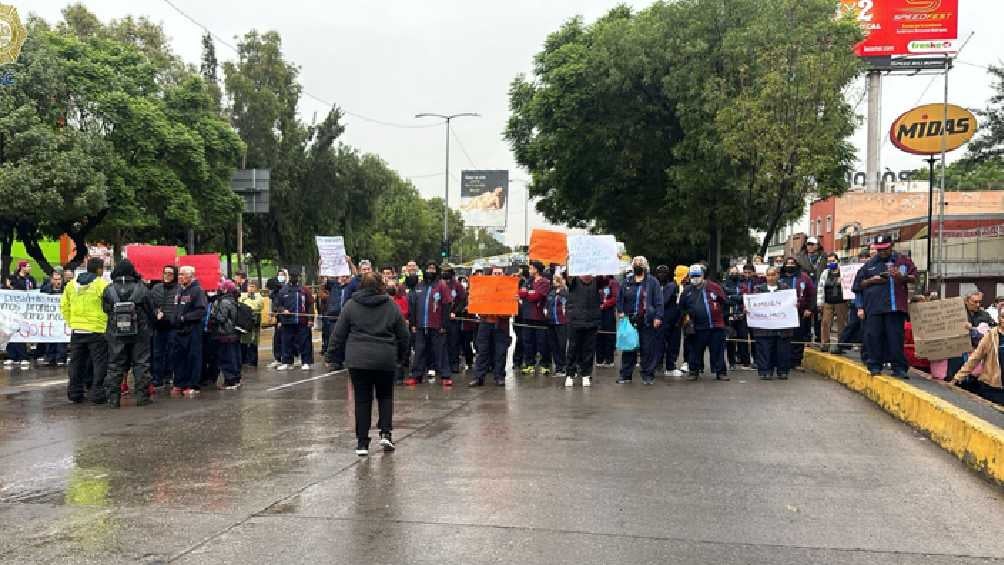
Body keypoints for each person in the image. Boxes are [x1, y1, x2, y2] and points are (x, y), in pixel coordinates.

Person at [331, 272, 411, 456]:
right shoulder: (390, 305)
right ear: (381, 286)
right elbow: (404, 334)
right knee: (384, 396)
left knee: (362, 400)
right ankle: (385, 432)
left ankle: (362, 442)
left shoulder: (351, 305)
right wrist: (401, 356)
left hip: (358, 359)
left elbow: (339, 333)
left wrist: (332, 355)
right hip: (385, 357)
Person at [851, 235, 917, 378]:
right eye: (879, 249)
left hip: (895, 307)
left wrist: (901, 277)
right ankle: (874, 365)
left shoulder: (902, 261)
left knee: (895, 339)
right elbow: (857, 285)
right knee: (873, 337)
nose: (882, 252)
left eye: (885, 249)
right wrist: (871, 280)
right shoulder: (869, 264)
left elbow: (914, 277)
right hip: (874, 308)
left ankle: (899, 368)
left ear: (891, 246)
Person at [102, 259, 155, 408]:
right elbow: (150, 309)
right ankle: (142, 397)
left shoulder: (109, 289)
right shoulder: (142, 288)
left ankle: (113, 399)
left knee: (114, 365)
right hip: (140, 331)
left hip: (116, 332)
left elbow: (105, 309)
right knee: (141, 363)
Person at [62, 258, 110, 403]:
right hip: (97, 330)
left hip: (77, 330)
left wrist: (72, 322)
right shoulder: (102, 284)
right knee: (99, 364)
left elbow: (64, 306)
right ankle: (97, 394)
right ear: (100, 270)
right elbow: (110, 303)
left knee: (76, 363)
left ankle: (75, 393)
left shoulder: (71, 284)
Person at [616, 256, 664, 385]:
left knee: (647, 349)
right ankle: (625, 375)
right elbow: (619, 298)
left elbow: (659, 301)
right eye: (635, 263)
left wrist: (658, 316)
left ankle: (648, 375)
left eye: (640, 264)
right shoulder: (627, 281)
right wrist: (620, 312)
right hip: (629, 320)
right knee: (629, 348)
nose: (637, 265)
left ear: (645, 266)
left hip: (647, 320)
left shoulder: (652, 282)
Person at [406, 261, 452, 386]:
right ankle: (416, 376)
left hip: (437, 325)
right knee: (419, 351)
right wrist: (413, 324)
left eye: (433, 268)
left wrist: (444, 325)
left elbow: (447, 305)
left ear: (436, 270)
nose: (430, 271)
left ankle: (445, 376)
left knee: (440, 351)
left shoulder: (441, 286)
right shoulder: (419, 286)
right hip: (420, 325)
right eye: (428, 268)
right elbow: (413, 305)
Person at [679, 264, 728, 380]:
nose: (695, 278)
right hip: (697, 327)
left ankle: (720, 372)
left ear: (703, 275)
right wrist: (686, 321)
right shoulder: (687, 291)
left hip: (715, 325)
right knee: (695, 350)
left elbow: (723, 302)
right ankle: (693, 371)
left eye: (698, 275)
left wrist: (723, 318)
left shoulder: (714, 287)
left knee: (718, 350)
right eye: (693, 276)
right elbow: (681, 308)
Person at [470, 266, 512, 387]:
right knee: (482, 351)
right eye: (495, 273)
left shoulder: (508, 288)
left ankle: (499, 376)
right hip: (485, 323)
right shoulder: (484, 288)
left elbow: (512, 308)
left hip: (501, 324)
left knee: (500, 352)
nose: (497, 275)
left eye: (500, 273)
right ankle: (479, 377)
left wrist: (514, 300)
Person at [750, 267, 794, 380]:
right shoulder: (758, 289)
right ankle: (765, 371)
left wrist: (794, 305)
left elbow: (791, 302)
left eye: (773, 274)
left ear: (778, 275)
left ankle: (782, 371)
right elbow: (753, 304)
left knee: (782, 349)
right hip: (764, 326)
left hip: (781, 326)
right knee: (764, 348)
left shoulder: (785, 288)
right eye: (769, 275)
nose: (771, 277)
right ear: (766, 276)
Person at [171, 265, 208, 395]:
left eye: (182, 274)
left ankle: (193, 385)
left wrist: (184, 318)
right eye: (179, 274)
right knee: (179, 357)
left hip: (193, 330)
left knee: (193, 357)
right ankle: (179, 383)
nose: (179, 277)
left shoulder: (197, 290)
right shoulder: (179, 290)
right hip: (179, 330)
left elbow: (201, 310)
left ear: (191, 276)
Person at [951, 320, 1003, 404]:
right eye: (1003, 316)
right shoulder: (991, 336)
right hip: (992, 388)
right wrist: (958, 377)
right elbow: (975, 358)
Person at [564, 274, 601, 387]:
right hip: (575, 319)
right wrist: (569, 261)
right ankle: (570, 374)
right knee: (573, 348)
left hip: (592, 320)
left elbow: (606, 275)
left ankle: (586, 374)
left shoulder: (596, 280)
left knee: (589, 348)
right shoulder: (574, 280)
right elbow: (568, 276)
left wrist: (614, 260)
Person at [779, 256, 816, 368]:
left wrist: (809, 309)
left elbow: (812, 294)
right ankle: (783, 360)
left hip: (800, 312)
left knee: (798, 336)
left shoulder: (804, 277)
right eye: (788, 263)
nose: (790, 265)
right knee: (783, 336)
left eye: (792, 263)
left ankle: (796, 361)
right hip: (782, 313)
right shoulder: (779, 277)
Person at [276, 271, 315, 371]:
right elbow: (278, 305)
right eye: (292, 276)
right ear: (289, 277)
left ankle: (306, 362)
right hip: (287, 322)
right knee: (286, 342)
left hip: (302, 321)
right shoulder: (283, 290)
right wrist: (282, 311)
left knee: (305, 342)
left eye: (296, 276)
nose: (294, 278)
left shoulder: (304, 290)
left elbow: (310, 304)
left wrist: (311, 319)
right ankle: (287, 362)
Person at [149, 265, 181, 388]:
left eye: (170, 273)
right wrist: (156, 312)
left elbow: (180, 307)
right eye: (165, 273)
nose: (167, 275)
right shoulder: (156, 288)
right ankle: (158, 378)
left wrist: (173, 317)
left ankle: (169, 376)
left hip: (173, 326)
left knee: (171, 352)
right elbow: (151, 305)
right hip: (159, 326)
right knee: (157, 353)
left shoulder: (179, 289)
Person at [518, 261, 552, 376]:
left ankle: (545, 364)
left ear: (536, 269)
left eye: (531, 268)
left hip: (539, 317)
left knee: (542, 342)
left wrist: (528, 293)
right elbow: (521, 293)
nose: (529, 270)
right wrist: (528, 293)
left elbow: (537, 296)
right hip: (527, 316)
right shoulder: (528, 280)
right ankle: (529, 364)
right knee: (527, 341)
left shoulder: (545, 282)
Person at [209, 280, 243, 389]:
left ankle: (230, 380)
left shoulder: (223, 302)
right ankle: (236, 379)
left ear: (225, 289)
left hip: (225, 333)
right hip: (233, 333)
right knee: (235, 356)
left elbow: (221, 318)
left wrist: (213, 316)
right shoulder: (233, 300)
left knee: (226, 357)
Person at [3, 261, 37, 369]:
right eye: (28, 266)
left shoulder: (31, 279)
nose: (29, 267)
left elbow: (34, 291)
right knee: (11, 331)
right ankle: (11, 356)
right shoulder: (13, 277)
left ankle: (23, 356)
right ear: (22, 267)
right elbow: (8, 289)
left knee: (22, 331)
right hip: (13, 309)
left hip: (25, 309)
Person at [654, 265, 683, 378]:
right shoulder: (654, 286)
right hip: (660, 320)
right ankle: (658, 364)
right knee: (659, 344)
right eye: (660, 272)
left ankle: (670, 366)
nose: (662, 274)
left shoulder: (672, 286)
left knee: (673, 345)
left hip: (672, 320)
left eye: (665, 272)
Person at [817, 252, 848, 353]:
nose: (831, 263)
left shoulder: (843, 271)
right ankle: (825, 344)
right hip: (828, 301)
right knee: (825, 322)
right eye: (829, 261)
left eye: (833, 261)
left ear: (837, 261)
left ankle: (841, 345)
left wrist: (842, 282)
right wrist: (820, 302)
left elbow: (848, 286)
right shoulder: (825, 273)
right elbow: (820, 288)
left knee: (842, 324)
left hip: (841, 301)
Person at [724, 267, 753, 370]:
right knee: (730, 340)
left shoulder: (743, 285)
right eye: (732, 272)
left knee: (743, 338)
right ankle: (732, 363)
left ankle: (746, 362)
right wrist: (737, 298)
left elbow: (746, 298)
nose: (734, 274)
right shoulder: (724, 285)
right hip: (729, 316)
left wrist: (733, 297)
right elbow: (725, 299)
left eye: (736, 272)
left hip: (742, 316)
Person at [39, 269, 68, 367]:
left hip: (62, 318)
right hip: (50, 318)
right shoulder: (45, 288)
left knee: (61, 339)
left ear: (62, 279)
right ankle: (49, 357)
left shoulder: (67, 288)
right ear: (51, 280)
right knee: (50, 338)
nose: (57, 281)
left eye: (59, 279)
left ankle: (60, 358)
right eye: (55, 279)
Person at [443, 267, 468, 375]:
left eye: (448, 273)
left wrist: (456, 312)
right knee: (443, 342)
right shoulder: (441, 284)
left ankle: (454, 365)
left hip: (454, 318)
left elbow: (463, 300)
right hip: (442, 318)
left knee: (454, 342)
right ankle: (444, 364)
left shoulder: (457, 285)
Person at [545, 274, 569, 378]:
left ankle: (564, 366)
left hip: (562, 323)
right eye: (554, 279)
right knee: (554, 345)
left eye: (556, 280)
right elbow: (547, 304)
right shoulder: (551, 292)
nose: (554, 281)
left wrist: (562, 292)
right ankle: (559, 367)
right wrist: (545, 310)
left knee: (562, 345)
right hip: (551, 322)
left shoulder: (566, 292)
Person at [595, 275, 619, 368]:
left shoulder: (613, 282)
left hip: (608, 312)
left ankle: (609, 359)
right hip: (597, 312)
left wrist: (605, 304)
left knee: (609, 335)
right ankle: (599, 359)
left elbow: (615, 298)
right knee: (598, 335)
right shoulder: (596, 282)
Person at [239, 281, 265, 367]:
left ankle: (252, 361)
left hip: (254, 320)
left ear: (256, 288)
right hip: (244, 321)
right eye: (249, 286)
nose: (250, 288)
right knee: (243, 340)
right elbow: (240, 303)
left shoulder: (259, 297)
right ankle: (244, 360)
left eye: (252, 286)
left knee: (253, 341)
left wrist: (247, 302)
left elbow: (256, 305)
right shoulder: (243, 295)